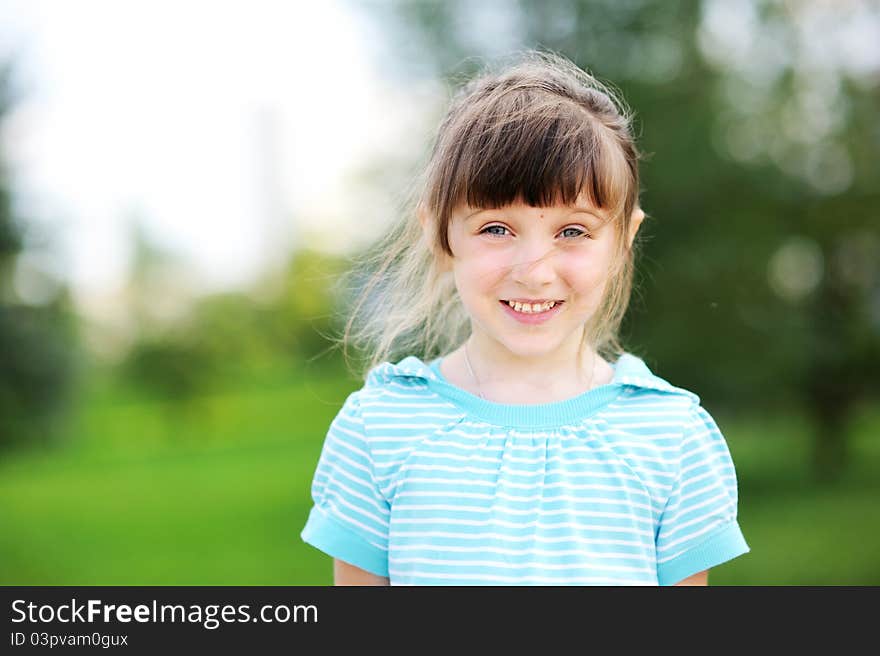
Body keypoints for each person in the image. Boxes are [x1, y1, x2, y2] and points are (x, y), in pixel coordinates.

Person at [300, 51, 750, 585]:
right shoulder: (378, 429)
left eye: (573, 231)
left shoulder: (672, 438)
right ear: (440, 233)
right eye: (496, 229)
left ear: (623, 241)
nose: (534, 272)